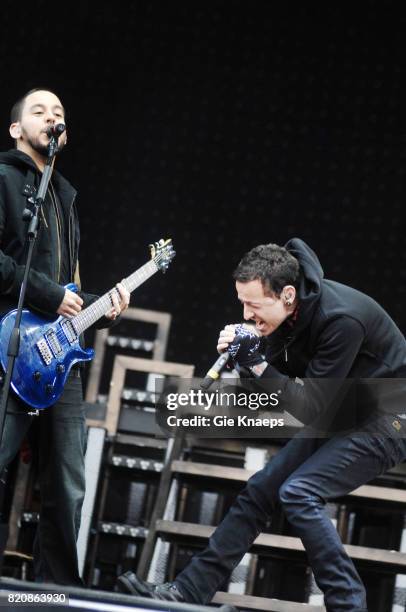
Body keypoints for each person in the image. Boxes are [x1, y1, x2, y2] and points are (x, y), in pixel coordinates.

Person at [117, 239, 406, 611]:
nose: (246, 313)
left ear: (287, 295)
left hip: (390, 415)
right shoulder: (289, 314)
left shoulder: (340, 320)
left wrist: (254, 363)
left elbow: (309, 409)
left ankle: (349, 604)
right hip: (346, 411)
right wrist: (245, 351)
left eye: (253, 305)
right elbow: (284, 380)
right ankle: (188, 592)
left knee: (299, 492)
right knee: (260, 490)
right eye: (242, 303)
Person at [0, 88, 130, 585]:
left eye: (58, 113)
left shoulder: (64, 197)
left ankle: (56, 591)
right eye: (39, 111)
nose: (51, 117)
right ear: (16, 129)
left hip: (59, 360)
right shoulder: (5, 179)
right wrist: (48, 295)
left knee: (67, 482)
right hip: (9, 347)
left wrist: (101, 307)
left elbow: (67, 287)